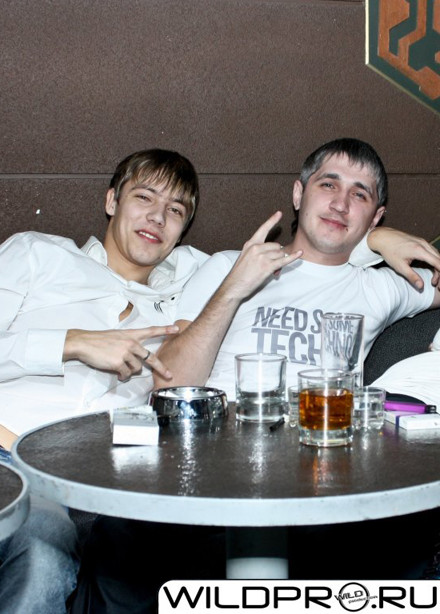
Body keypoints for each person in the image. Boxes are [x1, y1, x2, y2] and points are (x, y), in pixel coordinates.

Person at [71, 138, 440, 613]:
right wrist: (234, 290)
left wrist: (380, 240)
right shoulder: (228, 266)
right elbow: (169, 384)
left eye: (360, 194)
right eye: (328, 185)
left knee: (402, 540)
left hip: (322, 480)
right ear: (298, 194)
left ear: (375, 214)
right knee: (120, 544)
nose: (341, 203)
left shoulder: (383, 288)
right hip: (207, 470)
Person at [0, 148, 209, 614]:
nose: (158, 217)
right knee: (43, 547)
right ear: (112, 200)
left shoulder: (188, 290)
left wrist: (369, 243)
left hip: (93, 492)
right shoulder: (38, 254)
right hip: (5, 457)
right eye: (145, 197)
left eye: (175, 210)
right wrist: (73, 342)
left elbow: (303, 256)